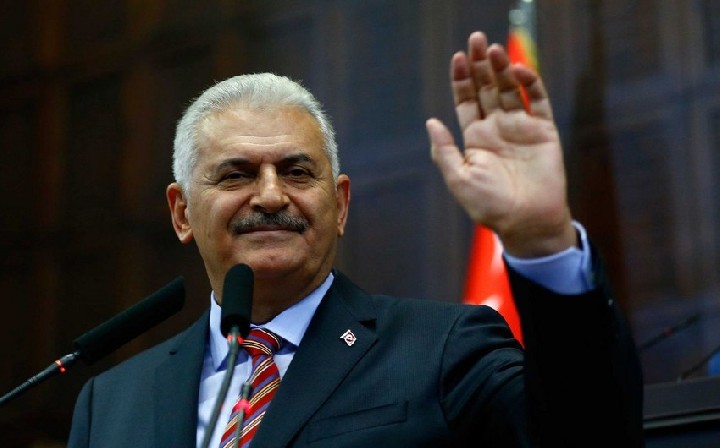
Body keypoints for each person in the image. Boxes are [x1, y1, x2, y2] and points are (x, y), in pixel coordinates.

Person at [67, 31, 644, 447]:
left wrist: (542, 241)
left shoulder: (442, 350)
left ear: (339, 205)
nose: (271, 196)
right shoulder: (111, 404)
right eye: (237, 175)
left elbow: (588, 435)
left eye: (297, 172)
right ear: (182, 214)